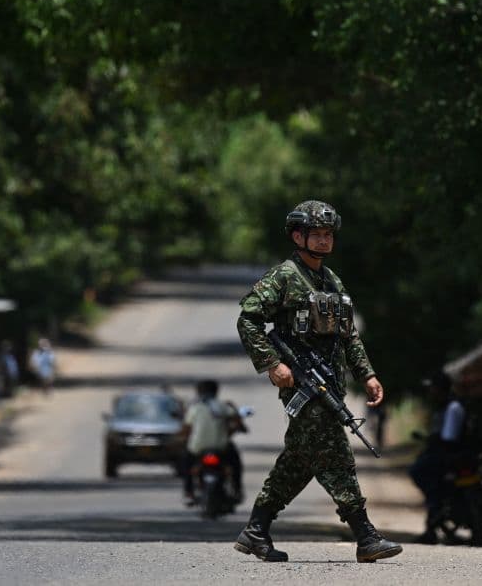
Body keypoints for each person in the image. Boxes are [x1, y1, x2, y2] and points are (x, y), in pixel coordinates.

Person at [233, 200, 403, 563]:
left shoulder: (332, 280)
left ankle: (256, 530)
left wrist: (367, 375)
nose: (324, 241)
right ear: (298, 236)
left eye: (328, 235)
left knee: (299, 460)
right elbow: (248, 319)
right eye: (316, 235)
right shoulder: (284, 276)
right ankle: (366, 535)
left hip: (330, 385)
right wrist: (272, 364)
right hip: (302, 387)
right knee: (335, 456)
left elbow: (349, 336)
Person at [409, 369, 466, 543]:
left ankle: (436, 509)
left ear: (440, 388)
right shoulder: (444, 406)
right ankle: (434, 514)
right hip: (443, 454)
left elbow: (449, 437)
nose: (430, 392)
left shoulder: (453, 407)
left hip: (448, 456)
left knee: (419, 472)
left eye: (432, 388)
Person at [181, 380, 245, 505]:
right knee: (235, 463)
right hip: (221, 447)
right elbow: (237, 422)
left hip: (197, 448)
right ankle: (237, 489)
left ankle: (188, 492)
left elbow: (186, 429)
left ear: (198, 392)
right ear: (216, 391)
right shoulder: (223, 406)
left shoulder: (194, 408)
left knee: (186, 464)